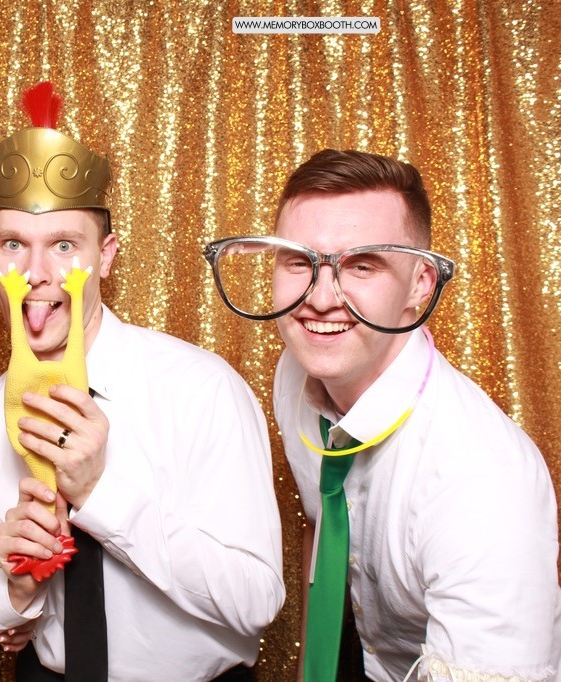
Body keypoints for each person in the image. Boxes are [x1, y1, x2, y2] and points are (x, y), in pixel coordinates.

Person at [0, 82, 285, 681]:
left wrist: (99, 494)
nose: (36, 273)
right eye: (14, 244)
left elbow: (256, 601)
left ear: (106, 255)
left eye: (64, 245)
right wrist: (12, 589)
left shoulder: (201, 389)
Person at [204, 148, 561, 680]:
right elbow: (321, 524)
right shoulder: (298, 374)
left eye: (362, 265)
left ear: (421, 284)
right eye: (299, 261)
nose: (319, 299)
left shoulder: (481, 481)